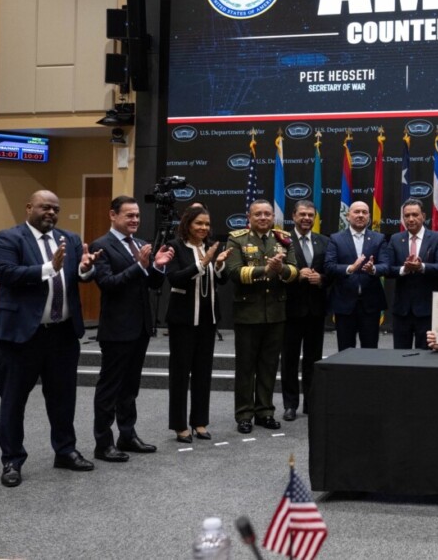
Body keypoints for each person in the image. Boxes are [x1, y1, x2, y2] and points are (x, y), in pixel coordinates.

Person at [0, 190, 100, 487]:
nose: (51, 212)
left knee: (63, 398)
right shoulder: (8, 238)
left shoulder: (70, 239)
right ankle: (12, 460)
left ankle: (65, 451)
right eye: (44, 207)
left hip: (62, 334)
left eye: (55, 208)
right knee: (13, 401)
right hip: (20, 336)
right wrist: (49, 268)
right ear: (29, 208)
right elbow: (5, 272)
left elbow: (78, 275)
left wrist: (85, 269)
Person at [89, 195, 173, 462]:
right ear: (113, 215)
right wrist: (140, 266)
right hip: (116, 329)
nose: (135, 220)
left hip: (140, 328)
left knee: (130, 387)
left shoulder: (140, 244)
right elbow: (108, 284)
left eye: (137, 215)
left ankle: (127, 434)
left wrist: (157, 267)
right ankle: (103, 443)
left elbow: (153, 286)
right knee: (109, 388)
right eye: (129, 215)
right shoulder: (101, 245)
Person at [225, 199, 298, 435]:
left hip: (276, 313)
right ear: (249, 217)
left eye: (267, 214)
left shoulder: (283, 238)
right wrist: (264, 271)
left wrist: (281, 270)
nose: (264, 218)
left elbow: (294, 271)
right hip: (248, 312)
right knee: (246, 367)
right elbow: (234, 272)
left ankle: (265, 411)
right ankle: (244, 414)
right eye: (258, 214)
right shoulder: (237, 238)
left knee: (268, 366)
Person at [165, 206, 231, 443]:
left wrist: (220, 264)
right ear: (187, 224)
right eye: (198, 224)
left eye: (207, 224)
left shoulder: (210, 247)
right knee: (180, 373)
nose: (203, 228)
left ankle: (200, 422)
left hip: (207, 320)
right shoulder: (174, 246)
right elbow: (174, 278)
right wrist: (203, 263)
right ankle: (180, 425)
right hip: (183, 320)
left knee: (203, 373)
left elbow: (220, 281)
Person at [281, 200, 329, 422]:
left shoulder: (324, 241)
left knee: (313, 359)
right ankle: (290, 405)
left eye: (311, 215)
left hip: (316, 311)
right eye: (302, 214)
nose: (307, 218)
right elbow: (276, 273)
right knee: (289, 359)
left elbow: (331, 273)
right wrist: (294, 275)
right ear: (293, 216)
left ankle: (311, 403)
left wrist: (321, 279)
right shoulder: (282, 241)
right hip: (290, 310)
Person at [324, 201, 391, 351]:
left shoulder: (379, 238)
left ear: (368, 216)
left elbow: (386, 266)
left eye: (364, 212)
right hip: (344, 303)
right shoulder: (336, 239)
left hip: (370, 304)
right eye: (356, 212)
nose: (360, 215)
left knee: (370, 349)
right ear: (348, 216)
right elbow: (329, 266)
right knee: (345, 350)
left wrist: (373, 269)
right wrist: (350, 268)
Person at [387, 199, 438, 349]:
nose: (410, 219)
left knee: (425, 357)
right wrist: (404, 269)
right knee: (400, 356)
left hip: (427, 310)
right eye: (406, 215)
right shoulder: (395, 239)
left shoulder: (437, 238)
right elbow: (388, 269)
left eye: (415, 214)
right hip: (402, 310)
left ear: (423, 216)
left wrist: (421, 266)